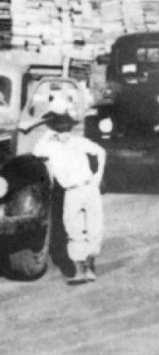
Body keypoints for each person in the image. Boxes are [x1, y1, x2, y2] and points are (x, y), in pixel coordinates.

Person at [32, 103, 107, 285]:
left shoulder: (79, 142)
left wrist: (98, 176)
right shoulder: (50, 147)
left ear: (71, 127)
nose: (63, 130)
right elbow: (36, 153)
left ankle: (90, 267)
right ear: (53, 129)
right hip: (71, 191)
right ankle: (80, 271)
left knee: (94, 227)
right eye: (58, 126)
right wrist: (47, 133)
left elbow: (101, 152)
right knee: (73, 229)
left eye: (66, 126)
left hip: (89, 187)